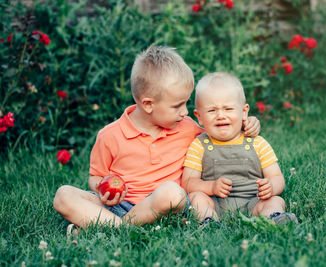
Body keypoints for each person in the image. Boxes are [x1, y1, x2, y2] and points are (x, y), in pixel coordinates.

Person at [53, 46, 260, 230]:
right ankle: (121, 226)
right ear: (149, 104)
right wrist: (102, 189)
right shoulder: (109, 135)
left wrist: (245, 124)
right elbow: (96, 176)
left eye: (186, 103)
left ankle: (109, 226)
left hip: (163, 204)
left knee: (173, 192)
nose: (185, 112)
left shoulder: (187, 127)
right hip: (119, 205)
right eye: (177, 105)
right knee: (63, 195)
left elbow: (218, 135)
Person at [182, 72, 298, 225]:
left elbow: (277, 177)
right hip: (215, 203)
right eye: (212, 110)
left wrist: (271, 186)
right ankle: (208, 221)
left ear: (244, 112)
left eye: (228, 109)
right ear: (199, 117)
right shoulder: (199, 145)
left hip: (254, 201)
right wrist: (211, 186)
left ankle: (272, 218)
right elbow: (188, 182)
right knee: (197, 197)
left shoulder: (257, 143)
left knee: (275, 199)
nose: (220, 115)